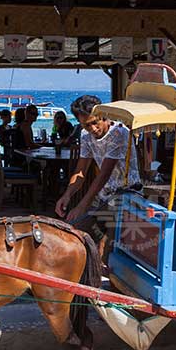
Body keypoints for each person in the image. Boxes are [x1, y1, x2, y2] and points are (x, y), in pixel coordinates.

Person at [55, 95, 141, 259]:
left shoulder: (120, 132)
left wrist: (82, 205)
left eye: (96, 122)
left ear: (105, 116)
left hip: (128, 195)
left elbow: (104, 174)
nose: (93, 128)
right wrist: (67, 195)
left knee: (102, 244)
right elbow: (81, 171)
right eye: (87, 125)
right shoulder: (85, 135)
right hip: (104, 196)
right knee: (74, 230)